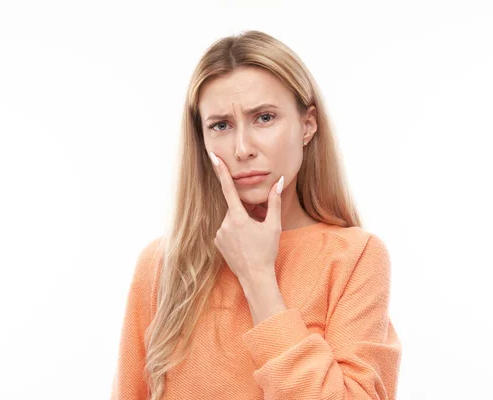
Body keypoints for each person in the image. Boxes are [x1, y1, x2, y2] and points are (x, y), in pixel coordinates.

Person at [111, 30, 402, 400]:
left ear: (307, 125)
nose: (243, 148)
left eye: (264, 118)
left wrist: (259, 277)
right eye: (220, 125)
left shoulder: (355, 257)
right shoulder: (161, 265)